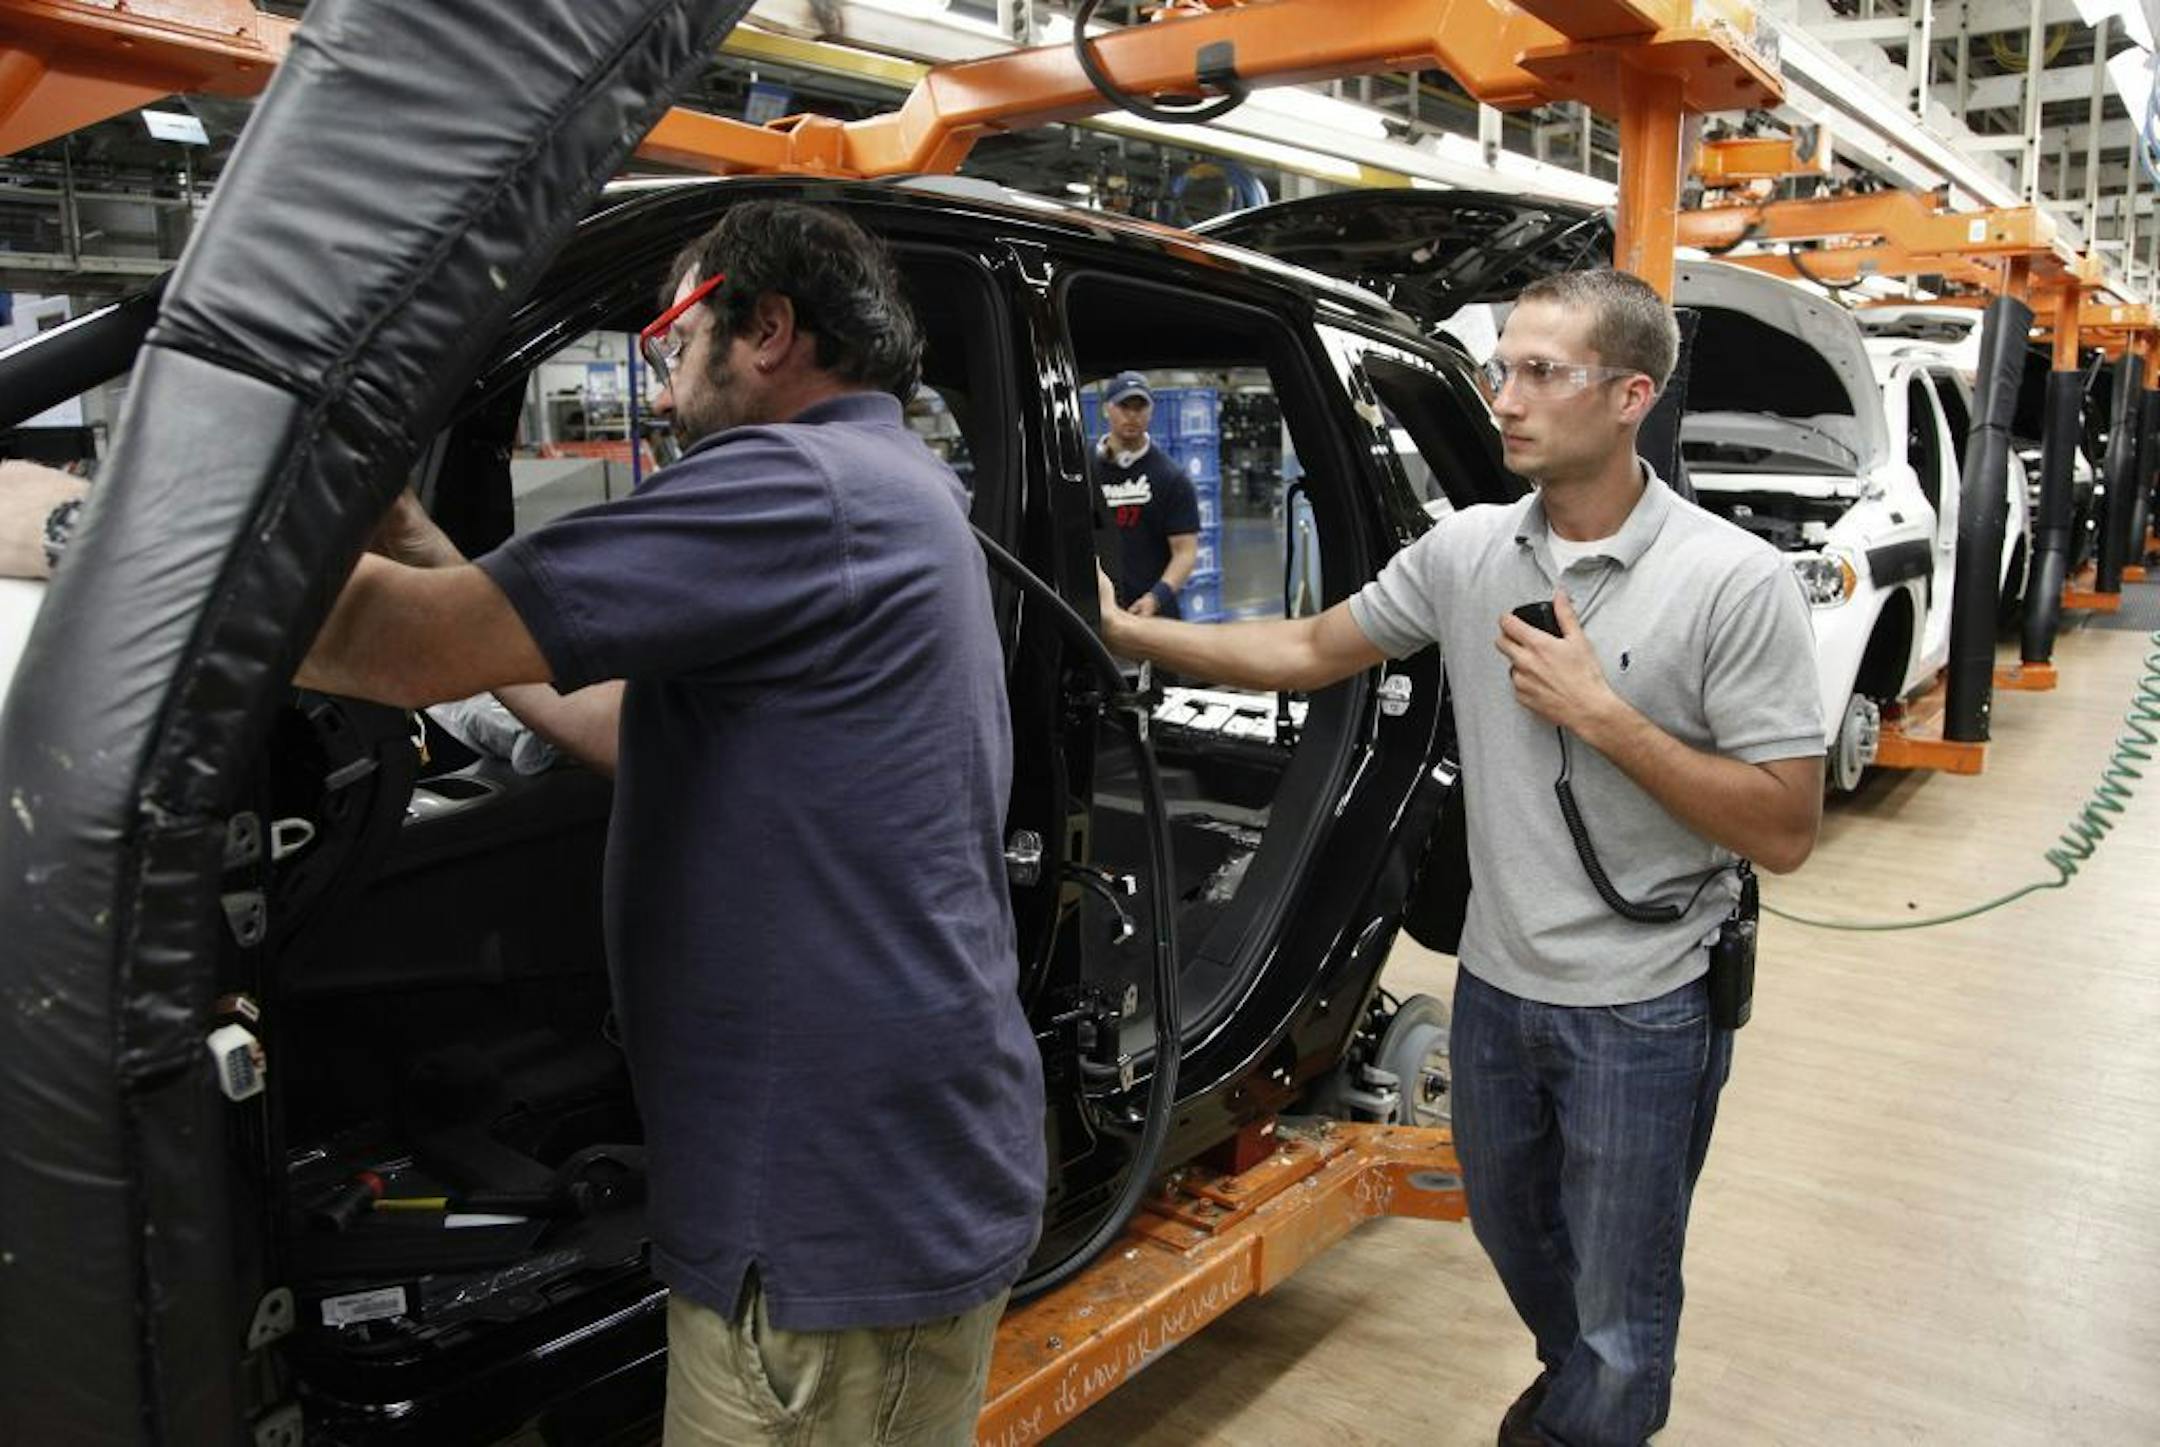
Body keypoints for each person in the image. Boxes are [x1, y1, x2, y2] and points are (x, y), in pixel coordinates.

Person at [300, 200, 1044, 1446]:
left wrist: (86, 533)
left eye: (667, 335)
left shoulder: (793, 483)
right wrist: (424, 540)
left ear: (763, 327)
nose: (657, 372)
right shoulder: (887, 481)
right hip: (858, 1167)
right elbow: (618, 721)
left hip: (831, 1207)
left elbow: (391, 648)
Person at [1097, 269, 1824, 1447]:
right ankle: (1575, 1390)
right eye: (1502, 369)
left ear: (1633, 394)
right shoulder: (1471, 550)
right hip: (1495, 985)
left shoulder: (1731, 582)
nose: (1506, 398)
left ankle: (1579, 1415)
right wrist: (1133, 632)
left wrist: (1603, 716)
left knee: (1624, 1313)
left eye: (1544, 372)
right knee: (1520, 1237)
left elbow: (1785, 829)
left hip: (1642, 1005)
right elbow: (1308, 646)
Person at [1091, 371, 1200, 618]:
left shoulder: (1171, 478)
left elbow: (1185, 552)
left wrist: (1156, 598)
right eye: (1123, 406)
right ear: (1107, 408)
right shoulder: (1084, 470)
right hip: (1098, 611)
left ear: (1151, 411)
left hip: (1153, 614)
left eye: (1140, 407)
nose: (1132, 415)